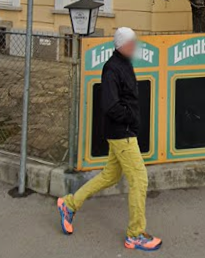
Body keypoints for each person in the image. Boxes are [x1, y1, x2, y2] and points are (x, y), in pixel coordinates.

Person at [57, 27, 161, 251]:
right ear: (122, 44)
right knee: (139, 180)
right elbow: (110, 104)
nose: (135, 45)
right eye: (132, 42)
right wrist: (130, 118)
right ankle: (135, 235)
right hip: (121, 133)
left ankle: (69, 204)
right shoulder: (112, 69)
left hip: (122, 131)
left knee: (110, 175)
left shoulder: (123, 63)